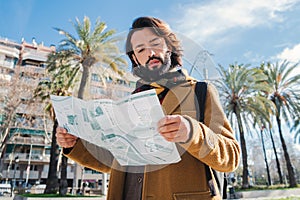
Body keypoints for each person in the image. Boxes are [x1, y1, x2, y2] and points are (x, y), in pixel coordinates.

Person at [56, 16, 240, 200]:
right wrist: (75, 144)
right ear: (135, 59)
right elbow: (116, 161)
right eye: (141, 49)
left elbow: (231, 157)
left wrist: (193, 133)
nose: (150, 53)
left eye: (155, 43)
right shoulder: (131, 102)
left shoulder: (201, 91)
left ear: (169, 46)